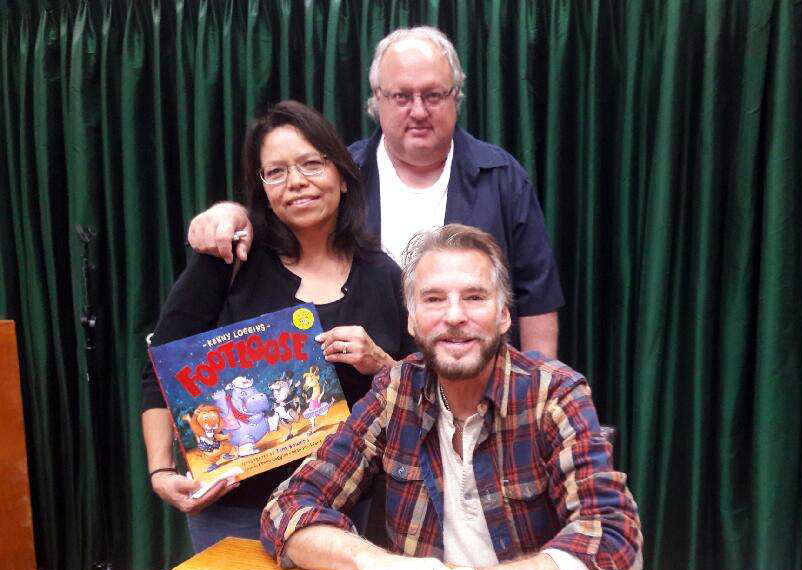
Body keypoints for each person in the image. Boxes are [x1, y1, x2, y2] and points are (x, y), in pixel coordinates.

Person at [260, 224, 642, 570]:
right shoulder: (396, 390)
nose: (455, 315)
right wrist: (379, 565)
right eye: (434, 299)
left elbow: (614, 545)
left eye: (475, 297)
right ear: (412, 319)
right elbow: (287, 507)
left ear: (504, 315)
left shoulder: (553, 394)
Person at [186, 26, 564, 358]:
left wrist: (536, 392)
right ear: (376, 99)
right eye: (401, 96)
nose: (419, 110)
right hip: (370, 397)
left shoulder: (502, 178)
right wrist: (232, 214)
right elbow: (278, 218)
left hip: (480, 388)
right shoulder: (339, 177)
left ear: (456, 96)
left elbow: (537, 298)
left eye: (433, 95)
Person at [142, 100, 416, 553]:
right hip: (232, 510)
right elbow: (160, 367)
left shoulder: (383, 275)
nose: (297, 182)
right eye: (277, 172)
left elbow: (420, 392)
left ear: (342, 175)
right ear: (262, 188)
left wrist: (381, 363)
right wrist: (160, 471)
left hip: (341, 509)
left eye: (312, 164)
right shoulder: (230, 260)